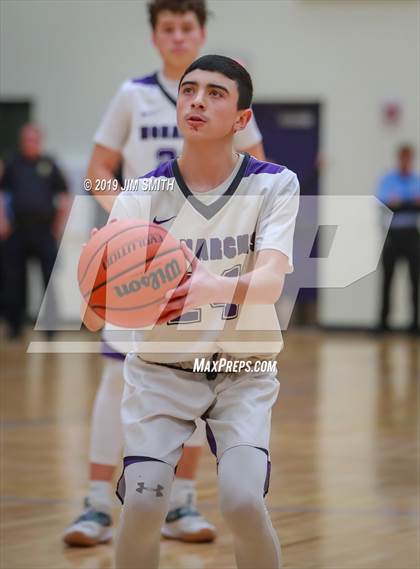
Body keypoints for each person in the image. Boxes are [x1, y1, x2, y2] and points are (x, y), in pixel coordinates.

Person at [83, 54, 299, 569]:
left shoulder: (275, 184)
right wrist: (95, 286)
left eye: (215, 93)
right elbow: (96, 319)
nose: (197, 100)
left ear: (242, 119)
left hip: (241, 371)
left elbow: (269, 282)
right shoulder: (140, 195)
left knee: (242, 502)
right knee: (142, 504)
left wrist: (210, 286)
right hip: (161, 372)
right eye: (189, 90)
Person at [64, 0, 265, 547]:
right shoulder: (133, 95)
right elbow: (98, 169)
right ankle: (94, 505)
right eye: (167, 28)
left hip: (206, 266)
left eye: (187, 28)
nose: (177, 36)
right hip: (142, 268)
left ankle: (181, 502)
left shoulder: (230, 94)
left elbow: (254, 175)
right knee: (115, 378)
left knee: (201, 376)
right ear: (155, 36)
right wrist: (131, 229)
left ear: (201, 33)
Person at [0, 124, 70, 339]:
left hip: (44, 230)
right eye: (27, 139)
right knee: (14, 279)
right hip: (17, 230)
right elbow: (1, 193)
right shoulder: (12, 164)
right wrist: (2, 220)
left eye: (34, 139)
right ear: (23, 140)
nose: (30, 142)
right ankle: (14, 326)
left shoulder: (49, 164)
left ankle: (49, 328)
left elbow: (65, 196)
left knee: (49, 278)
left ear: (40, 140)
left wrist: (59, 224)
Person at [376, 144, 420, 333]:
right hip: (393, 235)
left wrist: (400, 203)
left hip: (412, 234)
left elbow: (398, 204)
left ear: (411, 159)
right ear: (398, 158)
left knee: (414, 280)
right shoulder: (388, 180)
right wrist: (408, 203)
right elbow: (385, 204)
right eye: (402, 157)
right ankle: (383, 323)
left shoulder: (417, 180)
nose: (405, 161)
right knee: (387, 280)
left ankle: (414, 324)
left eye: (408, 158)